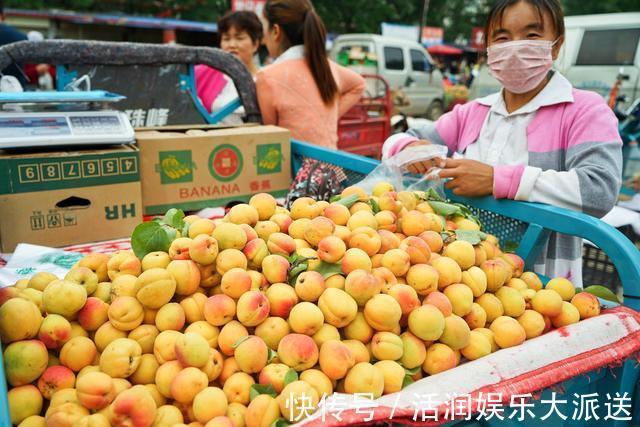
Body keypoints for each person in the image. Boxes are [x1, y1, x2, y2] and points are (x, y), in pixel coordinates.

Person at [382, 0, 622, 285]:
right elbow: (404, 141)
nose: (515, 47)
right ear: (489, 48)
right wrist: (408, 149)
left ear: (556, 45)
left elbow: (599, 189)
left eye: (531, 36)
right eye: (502, 38)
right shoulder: (474, 112)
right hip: (462, 277)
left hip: (541, 282)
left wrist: (497, 179)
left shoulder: (583, 110)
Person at [256, 0, 365, 149]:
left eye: (264, 29)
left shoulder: (267, 77)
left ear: (275, 31)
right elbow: (359, 85)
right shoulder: (328, 68)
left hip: (293, 170)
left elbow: (270, 136)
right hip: (331, 170)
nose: (263, 39)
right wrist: (327, 117)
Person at [195, 10, 263, 124]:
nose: (232, 45)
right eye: (226, 39)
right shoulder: (204, 73)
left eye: (239, 38)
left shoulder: (266, 78)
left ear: (255, 44)